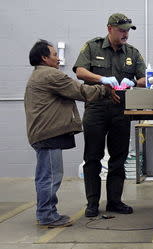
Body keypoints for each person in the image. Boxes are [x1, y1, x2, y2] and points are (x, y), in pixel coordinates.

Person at [25, 40, 114, 228]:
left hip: (43, 133)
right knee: (50, 176)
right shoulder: (50, 74)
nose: (58, 59)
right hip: (47, 135)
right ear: (44, 58)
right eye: (55, 55)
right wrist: (104, 88)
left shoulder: (39, 75)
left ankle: (46, 212)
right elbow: (79, 90)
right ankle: (47, 215)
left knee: (46, 175)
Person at [73, 13, 146, 217]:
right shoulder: (92, 47)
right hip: (96, 108)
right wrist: (102, 79)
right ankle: (92, 203)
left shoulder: (132, 52)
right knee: (93, 158)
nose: (125, 35)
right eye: (122, 30)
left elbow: (145, 79)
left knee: (118, 158)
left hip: (121, 110)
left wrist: (134, 82)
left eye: (128, 31)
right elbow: (80, 71)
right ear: (109, 29)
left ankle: (114, 201)